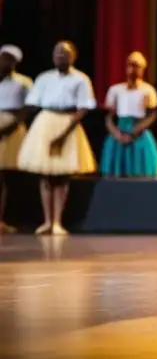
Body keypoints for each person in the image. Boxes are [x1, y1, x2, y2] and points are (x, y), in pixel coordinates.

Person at [17, 41, 97, 235]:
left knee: (62, 176)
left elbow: (84, 107)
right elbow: (33, 103)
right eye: (58, 53)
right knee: (45, 174)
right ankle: (46, 220)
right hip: (45, 121)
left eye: (65, 53)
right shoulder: (44, 78)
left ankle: (58, 222)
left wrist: (64, 132)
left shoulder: (81, 79)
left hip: (67, 122)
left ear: (73, 57)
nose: (61, 56)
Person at [99, 52, 157, 177]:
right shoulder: (115, 89)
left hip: (138, 131)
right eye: (130, 65)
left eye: (137, 66)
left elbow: (152, 114)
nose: (133, 68)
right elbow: (109, 117)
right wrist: (116, 133)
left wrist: (136, 130)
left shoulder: (148, 90)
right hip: (120, 131)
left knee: (141, 170)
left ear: (143, 69)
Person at [0, 45, 32, 232]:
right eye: (4, 57)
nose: (6, 62)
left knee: (5, 176)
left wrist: (11, 126)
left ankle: (3, 219)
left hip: (11, 127)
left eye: (10, 59)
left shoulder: (23, 82)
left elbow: (28, 108)